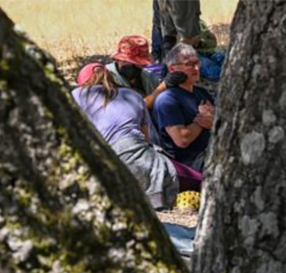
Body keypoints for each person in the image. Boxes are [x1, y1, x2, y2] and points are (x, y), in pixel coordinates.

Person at [72, 62, 202, 210]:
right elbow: (147, 139)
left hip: (102, 169)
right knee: (200, 181)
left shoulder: (75, 96)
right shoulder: (133, 95)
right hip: (142, 161)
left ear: (82, 83)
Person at [153, 43, 215, 172]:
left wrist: (212, 121)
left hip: (212, 151)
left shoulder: (202, 93)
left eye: (197, 63)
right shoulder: (167, 99)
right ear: (172, 69)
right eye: (189, 64)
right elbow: (182, 139)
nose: (196, 68)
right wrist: (203, 120)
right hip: (189, 164)